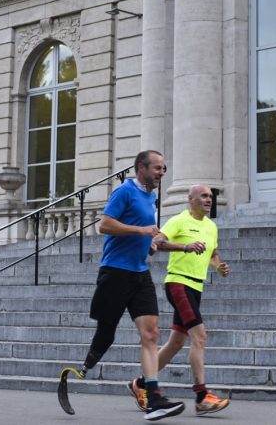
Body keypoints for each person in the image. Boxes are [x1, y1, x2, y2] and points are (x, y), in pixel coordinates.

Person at [63, 150, 184, 421]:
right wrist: (140, 230)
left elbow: (150, 238)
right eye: (157, 168)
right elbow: (104, 225)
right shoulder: (124, 192)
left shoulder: (151, 196)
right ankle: (83, 367)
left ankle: (153, 396)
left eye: (164, 168)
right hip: (115, 273)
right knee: (106, 334)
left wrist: (182, 247)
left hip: (140, 273)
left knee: (151, 333)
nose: (162, 173)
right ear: (141, 168)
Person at [129, 184, 231, 416]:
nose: (209, 199)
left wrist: (219, 266)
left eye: (210, 196)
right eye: (204, 196)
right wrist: (184, 246)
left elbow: (213, 253)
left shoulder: (212, 226)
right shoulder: (179, 220)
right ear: (191, 199)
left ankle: (142, 384)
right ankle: (202, 396)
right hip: (178, 284)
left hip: (196, 287)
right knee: (200, 335)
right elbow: (157, 242)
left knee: (176, 342)